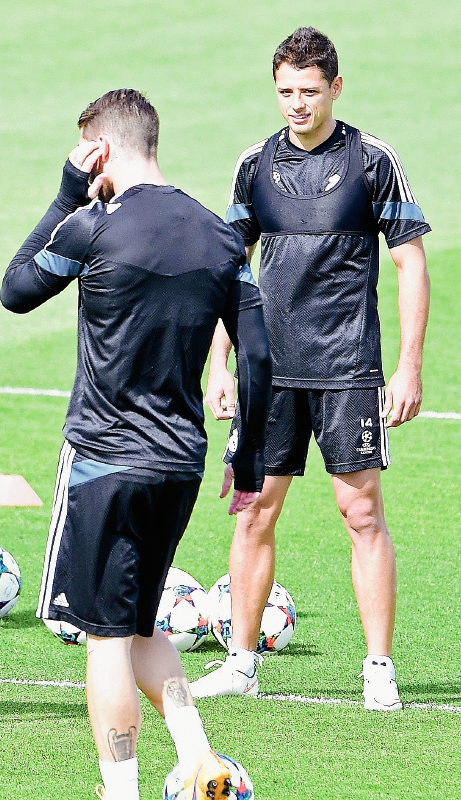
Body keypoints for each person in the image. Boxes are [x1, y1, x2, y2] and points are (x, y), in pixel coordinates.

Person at [1, 90, 271, 800]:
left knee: (105, 640)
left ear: (98, 147)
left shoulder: (94, 225)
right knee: (140, 619)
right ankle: (201, 761)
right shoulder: (218, 236)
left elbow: (15, 289)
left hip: (101, 462)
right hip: (179, 466)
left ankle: (119, 791)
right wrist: (249, 458)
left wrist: (65, 195)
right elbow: (262, 358)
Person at [192, 27, 430, 711]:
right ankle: (241, 661)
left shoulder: (371, 161)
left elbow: (410, 262)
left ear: (335, 87)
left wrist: (407, 368)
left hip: (349, 367)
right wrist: (221, 366)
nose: (297, 103)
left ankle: (378, 667)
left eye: (309, 91)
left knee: (360, 513)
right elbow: (226, 273)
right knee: (253, 512)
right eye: (285, 91)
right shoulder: (254, 166)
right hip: (269, 371)